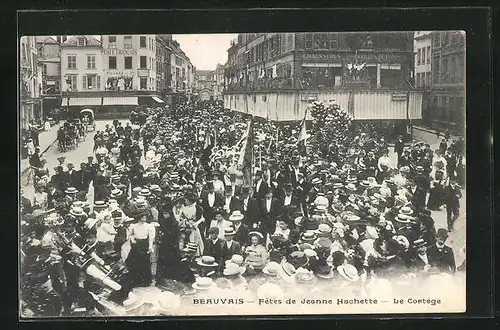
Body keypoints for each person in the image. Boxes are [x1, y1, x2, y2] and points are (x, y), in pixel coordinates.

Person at [126, 212, 155, 287]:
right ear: (139, 218)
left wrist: (150, 246)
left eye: (145, 217)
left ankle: (145, 281)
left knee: (144, 262)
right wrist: (132, 239)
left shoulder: (149, 226)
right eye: (142, 217)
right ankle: (136, 281)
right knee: (134, 262)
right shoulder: (134, 226)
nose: (144, 219)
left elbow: (151, 238)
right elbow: (130, 235)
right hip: (136, 245)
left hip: (144, 244)